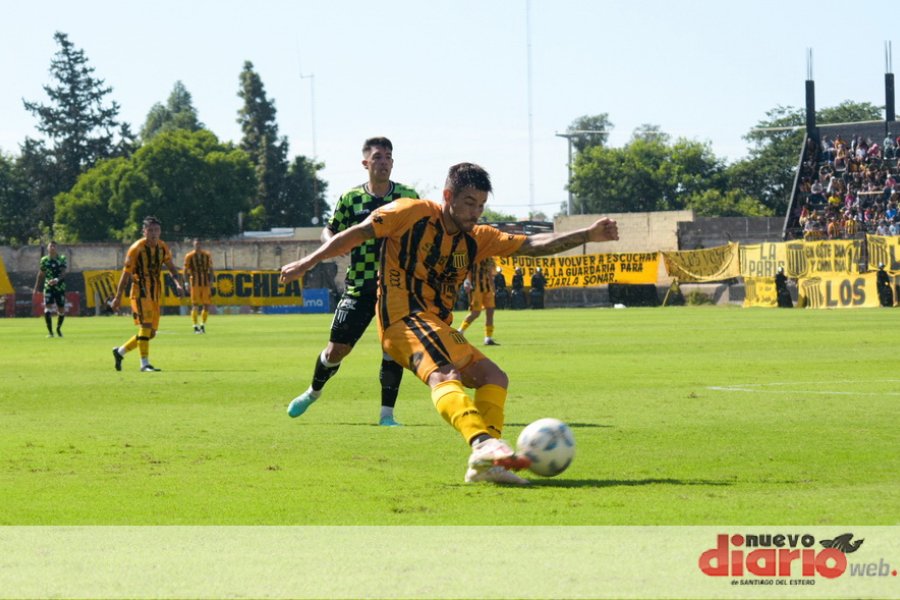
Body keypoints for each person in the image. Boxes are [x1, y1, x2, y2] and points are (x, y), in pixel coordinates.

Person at [280, 162, 619, 484]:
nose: (476, 212)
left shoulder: (477, 237)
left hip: (437, 326)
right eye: (469, 202)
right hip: (402, 319)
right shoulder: (410, 213)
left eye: (481, 205)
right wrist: (306, 263)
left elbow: (531, 244)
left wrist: (588, 234)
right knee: (445, 375)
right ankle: (483, 444)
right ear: (447, 196)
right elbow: (357, 233)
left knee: (493, 377)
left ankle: (488, 465)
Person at [286, 137, 419, 427]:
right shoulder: (351, 198)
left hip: (396, 287)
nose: (383, 162)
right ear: (365, 163)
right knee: (336, 350)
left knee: (392, 349)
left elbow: (425, 232)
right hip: (360, 285)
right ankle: (313, 392)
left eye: (388, 157)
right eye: (377, 157)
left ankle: (387, 416)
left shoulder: (407, 197)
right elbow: (329, 229)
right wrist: (332, 243)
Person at [110, 216, 184, 372]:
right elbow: (125, 274)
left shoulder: (162, 247)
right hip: (140, 291)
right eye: (150, 230)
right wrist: (117, 297)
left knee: (151, 333)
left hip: (155, 292)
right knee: (146, 326)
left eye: (156, 230)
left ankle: (120, 352)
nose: (154, 233)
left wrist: (178, 283)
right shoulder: (136, 248)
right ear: (144, 231)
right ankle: (144, 364)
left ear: (160, 231)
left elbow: (171, 268)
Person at [458, 257, 500, 345]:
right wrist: (467, 282)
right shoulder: (474, 256)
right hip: (476, 289)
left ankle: (488, 338)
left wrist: (493, 286)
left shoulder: (489, 258)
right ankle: (460, 331)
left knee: (490, 312)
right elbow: (466, 269)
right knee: (475, 313)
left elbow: (490, 273)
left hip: (487, 288)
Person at [34, 240, 67, 337]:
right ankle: (50, 332)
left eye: (54, 246)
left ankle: (58, 329)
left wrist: (56, 280)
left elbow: (63, 273)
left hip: (60, 287)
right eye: (50, 246)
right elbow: (41, 274)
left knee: (61, 309)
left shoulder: (62, 258)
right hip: (48, 287)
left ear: (56, 248)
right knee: (47, 307)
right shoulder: (44, 260)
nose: (52, 248)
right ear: (48, 248)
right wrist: (36, 288)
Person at [183, 238, 216, 334]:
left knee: (206, 304)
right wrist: (186, 283)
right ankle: (195, 326)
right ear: (193, 245)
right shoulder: (189, 256)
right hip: (195, 283)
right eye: (196, 244)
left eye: (199, 244)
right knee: (195, 304)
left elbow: (211, 269)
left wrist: (211, 281)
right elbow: (185, 271)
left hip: (205, 283)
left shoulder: (207, 255)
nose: (198, 246)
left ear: (201, 245)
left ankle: (202, 325)